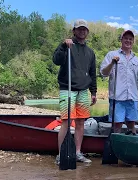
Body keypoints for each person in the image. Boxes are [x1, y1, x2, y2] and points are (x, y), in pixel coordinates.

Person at [53, 19, 97, 164]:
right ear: (74, 31)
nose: (82, 31)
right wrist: (63, 46)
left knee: (80, 123)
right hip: (68, 89)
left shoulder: (90, 52)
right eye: (79, 29)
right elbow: (56, 60)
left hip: (83, 90)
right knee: (66, 121)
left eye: (84, 29)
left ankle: (77, 152)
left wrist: (94, 92)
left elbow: (92, 73)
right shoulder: (67, 46)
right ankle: (61, 154)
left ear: (87, 32)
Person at [100, 30, 138, 135]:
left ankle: (132, 144)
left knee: (132, 123)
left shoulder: (136, 60)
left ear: (133, 41)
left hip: (133, 97)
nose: (128, 41)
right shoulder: (112, 54)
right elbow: (104, 73)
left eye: (130, 39)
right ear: (121, 40)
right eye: (126, 38)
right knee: (117, 125)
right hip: (117, 97)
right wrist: (112, 63)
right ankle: (116, 147)